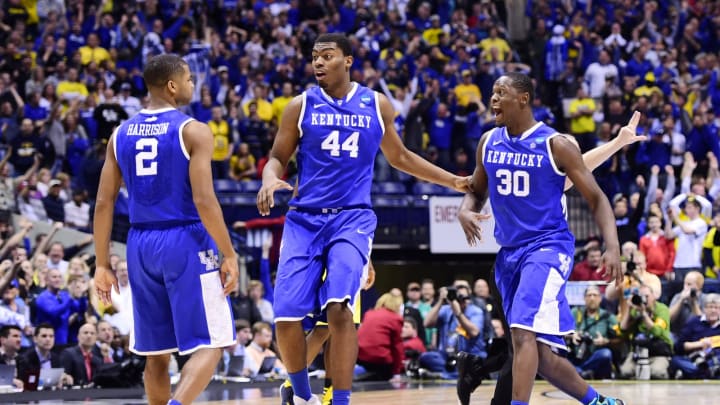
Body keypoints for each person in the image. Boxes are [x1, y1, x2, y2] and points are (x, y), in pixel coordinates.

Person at [257, 33, 470, 405]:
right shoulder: (300, 106)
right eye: (314, 57)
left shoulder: (376, 104)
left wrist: (451, 180)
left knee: (340, 310)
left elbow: (400, 157)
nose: (318, 63)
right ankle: (302, 393)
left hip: (352, 219)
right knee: (287, 318)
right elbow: (278, 156)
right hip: (304, 219)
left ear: (349, 60)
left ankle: (339, 400)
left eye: (327, 56)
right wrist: (270, 177)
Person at [456, 72, 629, 405]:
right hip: (508, 256)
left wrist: (612, 246)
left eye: (500, 92)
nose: (493, 99)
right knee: (540, 356)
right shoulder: (488, 142)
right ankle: (601, 402)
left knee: (522, 333)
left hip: (547, 248)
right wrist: (465, 209)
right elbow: (476, 191)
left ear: (523, 98)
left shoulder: (556, 144)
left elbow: (597, 198)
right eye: (492, 92)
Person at [92, 54, 239, 405]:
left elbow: (102, 203)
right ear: (173, 86)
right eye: (189, 79)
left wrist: (101, 264)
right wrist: (229, 253)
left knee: (156, 354)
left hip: (139, 243)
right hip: (185, 239)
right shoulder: (193, 130)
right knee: (213, 344)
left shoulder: (120, 134)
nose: (192, 85)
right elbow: (205, 201)